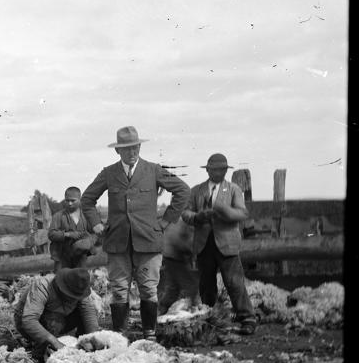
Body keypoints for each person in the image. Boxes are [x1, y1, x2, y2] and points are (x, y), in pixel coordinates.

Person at [81, 126, 190, 340]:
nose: (132, 153)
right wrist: (95, 224)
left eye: (135, 148)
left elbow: (183, 190)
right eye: (127, 149)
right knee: (119, 290)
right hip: (118, 242)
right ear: (117, 151)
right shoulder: (109, 173)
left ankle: (149, 334)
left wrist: (166, 220)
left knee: (149, 289)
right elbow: (87, 200)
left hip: (148, 241)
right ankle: (120, 336)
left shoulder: (154, 170)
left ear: (140, 146)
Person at [181, 153, 257, 335]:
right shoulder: (196, 191)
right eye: (215, 169)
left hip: (227, 243)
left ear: (226, 170)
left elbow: (242, 214)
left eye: (222, 169)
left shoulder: (233, 189)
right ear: (207, 170)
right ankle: (210, 319)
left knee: (234, 282)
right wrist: (198, 217)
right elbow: (185, 213)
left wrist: (225, 212)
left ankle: (247, 318)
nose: (219, 172)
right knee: (206, 284)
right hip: (204, 244)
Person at [15, 267, 100, 363]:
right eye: (71, 296)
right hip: (28, 322)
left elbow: (88, 311)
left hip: (60, 318)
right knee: (54, 322)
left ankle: (82, 346)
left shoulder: (77, 285)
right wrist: (54, 342)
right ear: (63, 287)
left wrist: (92, 339)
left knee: (91, 309)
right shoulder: (43, 286)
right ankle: (38, 355)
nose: (73, 299)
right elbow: (29, 320)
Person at [48, 186, 97, 272]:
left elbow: (95, 233)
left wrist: (89, 241)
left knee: (80, 281)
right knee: (61, 281)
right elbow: (51, 234)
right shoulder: (58, 216)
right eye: (67, 200)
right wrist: (67, 234)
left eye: (73, 200)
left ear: (80, 199)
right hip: (62, 256)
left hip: (80, 257)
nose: (69, 203)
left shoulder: (86, 216)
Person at [157, 218, 201, 315]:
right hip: (175, 256)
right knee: (191, 285)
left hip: (171, 255)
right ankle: (195, 310)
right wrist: (190, 250)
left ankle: (161, 309)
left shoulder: (181, 219)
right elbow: (177, 239)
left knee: (174, 288)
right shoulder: (183, 220)